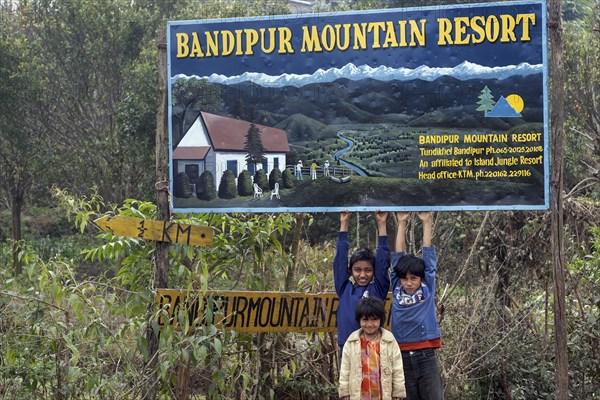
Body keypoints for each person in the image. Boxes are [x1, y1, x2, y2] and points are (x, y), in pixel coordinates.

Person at [390, 212, 444, 400]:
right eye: (405, 278)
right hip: (401, 356)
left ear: (420, 278)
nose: (409, 282)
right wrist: (402, 222)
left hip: (426, 355)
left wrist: (426, 221)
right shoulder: (397, 286)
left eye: (413, 278)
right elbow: (398, 257)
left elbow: (429, 259)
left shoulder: (426, 287)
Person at [334, 211, 390, 355]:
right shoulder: (344, 289)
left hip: (374, 349)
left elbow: (383, 263)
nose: (363, 275)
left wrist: (382, 224)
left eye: (368, 270)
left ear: (374, 271)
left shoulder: (378, 289)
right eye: (357, 270)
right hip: (347, 348)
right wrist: (344, 223)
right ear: (350, 270)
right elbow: (340, 260)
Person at [339, 297, 406, 400]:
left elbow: (397, 369)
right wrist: (344, 392)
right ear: (359, 320)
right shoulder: (351, 342)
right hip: (359, 395)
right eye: (365, 320)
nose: (369, 324)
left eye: (374, 319)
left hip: (382, 394)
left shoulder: (389, 341)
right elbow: (345, 370)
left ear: (381, 319)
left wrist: (398, 392)